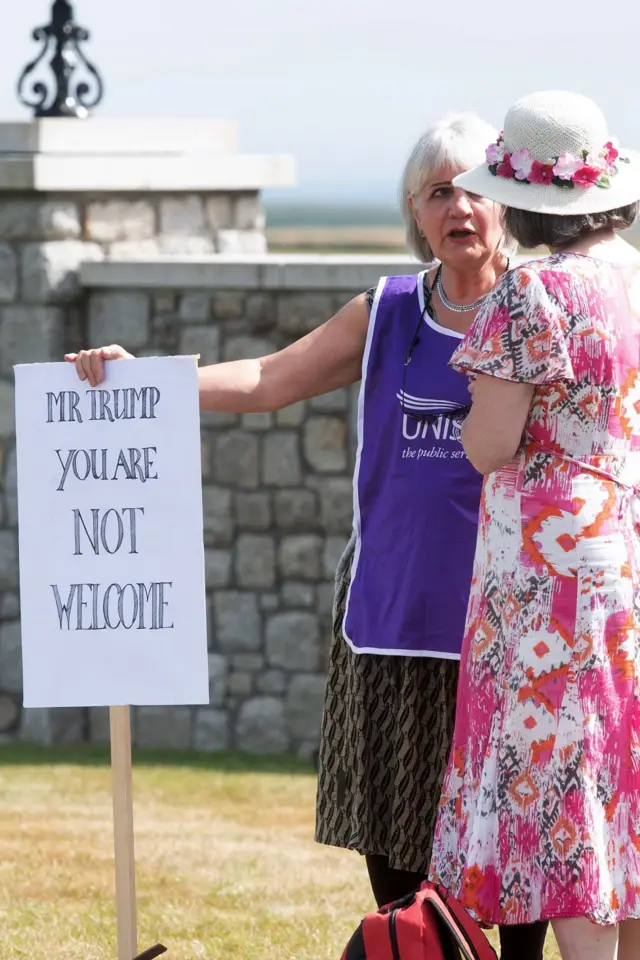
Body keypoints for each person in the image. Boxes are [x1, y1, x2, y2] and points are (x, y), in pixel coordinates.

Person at [66, 113, 547, 960]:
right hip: (388, 621)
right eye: (440, 193)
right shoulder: (389, 310)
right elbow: (265, 379)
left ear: (506, 203)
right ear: (415, 212)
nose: (460, 208)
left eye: (475, 190)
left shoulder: (541, 313)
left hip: (503, 633)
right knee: (397, 862)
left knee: (510, 856)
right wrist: (148, 378)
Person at [428, 89, 640, 960]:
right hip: (624, 551)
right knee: (617, 779)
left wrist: (479, 407)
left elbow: (489, 444)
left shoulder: (532, 293)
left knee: (557, 790)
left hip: (544, 578)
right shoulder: (631, 276)